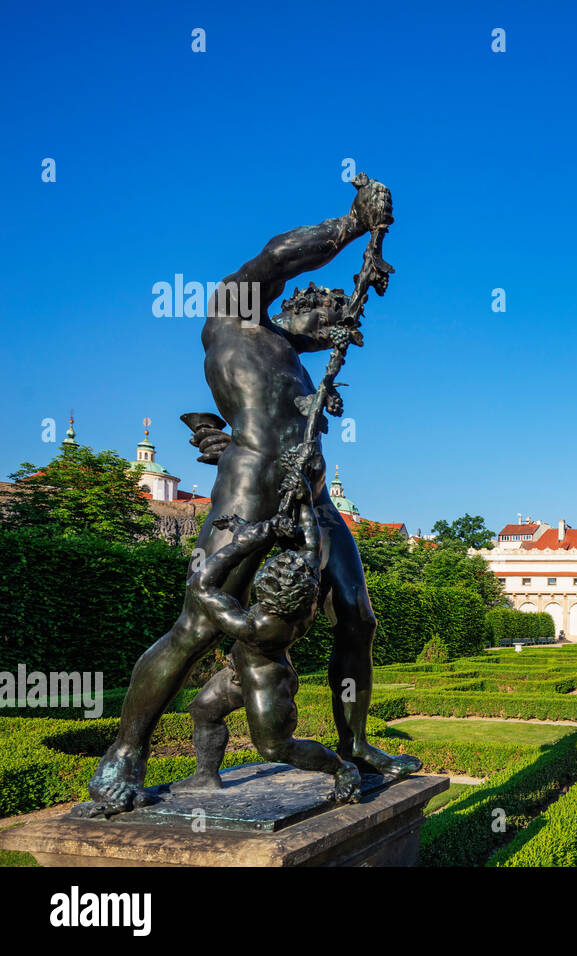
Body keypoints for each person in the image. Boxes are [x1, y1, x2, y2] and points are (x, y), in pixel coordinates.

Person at [81, 179, 419, 817]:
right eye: (330, 317)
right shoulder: (233, 317)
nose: (338, 328)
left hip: (314, 499)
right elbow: (279, 254)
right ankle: (124, 754)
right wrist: (351, 226)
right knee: (198, 626)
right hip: (253, 488)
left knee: (359, 618)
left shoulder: (290, 360)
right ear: (294, 304)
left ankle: (356, 746)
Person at [174, 465, 361, 803]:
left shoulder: (256, 627)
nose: (276, 563)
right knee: (203, 710)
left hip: (266, 680)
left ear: (268, 591)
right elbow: (310, 542)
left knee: (275, 747)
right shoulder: (307, 594)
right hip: (241, 670)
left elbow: (200, 584)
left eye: (272, 571)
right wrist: (304, 496)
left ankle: (341, 768)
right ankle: (205, 776)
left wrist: (242, 545)